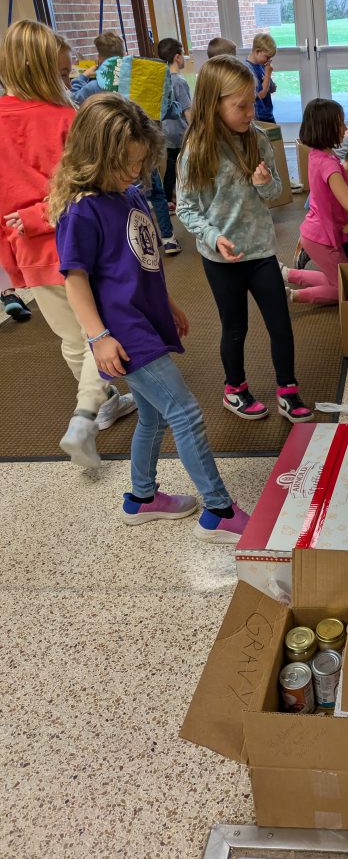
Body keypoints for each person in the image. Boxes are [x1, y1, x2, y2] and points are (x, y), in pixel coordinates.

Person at [49, 95, 250, 542]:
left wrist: (169, 303)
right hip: (121, 331)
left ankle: (141, 498)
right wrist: (99, 337)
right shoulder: (82, 209)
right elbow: (75, 280)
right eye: (124, 164)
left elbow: (141, 261)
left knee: (156, 417)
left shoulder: (131, 194)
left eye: (139, 163)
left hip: (144, 318)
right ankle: (217, 510)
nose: (134, 173)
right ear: (94, 156)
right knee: (186, 411)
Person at [0, 19, 135, 465]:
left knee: (72, 339)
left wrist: (14, 256)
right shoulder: (66, 119)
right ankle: (86, 414)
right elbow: (86, 186)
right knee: (99, 331)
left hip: (29, 252)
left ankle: (101, 405)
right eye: (61, 75)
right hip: (75, 242)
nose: (68, 80)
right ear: (38, 71)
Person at [176, 56, 312, 424]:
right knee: (235, 327)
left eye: (252, 102)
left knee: (280, 323)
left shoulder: (257, 139)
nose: (251, 111)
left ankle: (288, 388)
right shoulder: (196, 151)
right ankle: (234, 389)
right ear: (213, 104)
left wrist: (264, 183)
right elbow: (186, 209)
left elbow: (278, 193)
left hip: (261, 250)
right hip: (222, 258)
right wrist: (212, 236)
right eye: (241, 106)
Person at [282, 99, 348, 307]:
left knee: (339, 279)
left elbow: (343, 184)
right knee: (346, 288)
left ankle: (290, 274)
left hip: (317, 232)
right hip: (322, 238)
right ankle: (294, 296)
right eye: (340, 124)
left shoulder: (320, 155)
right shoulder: (328, 164)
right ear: (326, 128)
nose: (346, 128)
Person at [155, 37, 193, 208]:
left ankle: (168, 197)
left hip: (165, 131)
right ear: (177, 57)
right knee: (182, 166)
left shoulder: (160, 80)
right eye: (183, 54)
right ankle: (180, 197)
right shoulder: (179, 81)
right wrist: (194, 129)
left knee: (170, 166)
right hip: (180, 132)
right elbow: (187, 110)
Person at [70, 30, 125, 106]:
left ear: (99, 58)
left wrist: (83, 76)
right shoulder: (132, 79)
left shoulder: (95, 86)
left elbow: (73, 100)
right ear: (124, 55)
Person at [245, 33, 277, 124]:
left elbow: (270, 89)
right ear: (257, 51)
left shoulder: (261, 65)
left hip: (268, 112)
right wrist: (268, 74)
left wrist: (270, 82)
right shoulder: (248, 68)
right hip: (259, 115)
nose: (269, 60)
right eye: (267, 57)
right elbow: (260, 94)